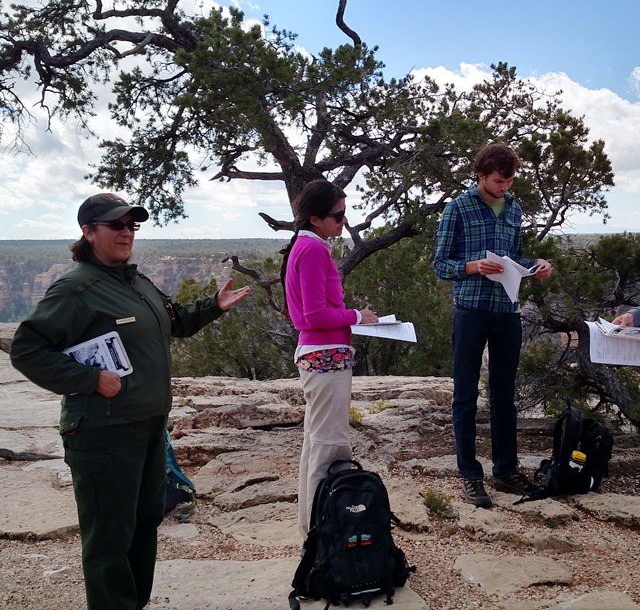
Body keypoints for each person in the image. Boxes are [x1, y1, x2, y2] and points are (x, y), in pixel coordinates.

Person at [10, 192, 250, 610]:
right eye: (115, 225)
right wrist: (88, 378)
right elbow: (27, 350)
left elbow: (175, 321)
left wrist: (213, 306)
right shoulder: (75, 289)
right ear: (88, 232)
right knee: (109, 539)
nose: (126, 233)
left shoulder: (134, 281)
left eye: (131, 226)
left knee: (142, 525)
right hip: (104, 431)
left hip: (149, 426)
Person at [433, 144, 553, 508]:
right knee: (465, 396)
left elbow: (513, 256)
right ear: (480, 176)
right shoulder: (457, 209)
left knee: (504, 395)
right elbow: (439, 263)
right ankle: (470, 474)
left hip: (507, 311)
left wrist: (536, 264)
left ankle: (505, 470)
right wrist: (469, 267)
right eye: (499, 181)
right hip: (470, 311)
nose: (505, 187)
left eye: (510, 180)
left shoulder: (514, 208)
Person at [280, 179, 378, 538]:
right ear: (316, 218)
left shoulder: (307, 246)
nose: (343, 222)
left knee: (315, 442)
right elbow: (314, 315)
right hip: (326, 357)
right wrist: (356, 316)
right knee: (329, 445)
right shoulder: (313, 250)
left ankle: (312, 528)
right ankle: (324, 535)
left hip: (322, 356)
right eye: (338, 216)